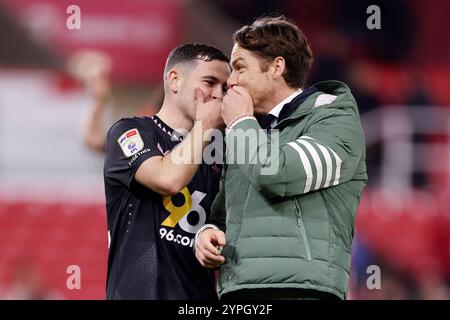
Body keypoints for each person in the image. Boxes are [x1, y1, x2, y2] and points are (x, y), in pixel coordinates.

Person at [194, 15, 368, 300]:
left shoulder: (334, 119)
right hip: (238, 291)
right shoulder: (245, 130)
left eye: (239, 68)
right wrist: (208, 233)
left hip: (303, 291)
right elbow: (223, 214)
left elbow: (275, 173)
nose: (231, 82)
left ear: (277, 66)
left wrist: (239, 123)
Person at [104, 43, 230, 299]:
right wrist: (205, 125)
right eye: (210, 82)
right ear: (175, 80)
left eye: (225, 88)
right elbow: (167, 179)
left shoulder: (225, 151)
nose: (218, 94)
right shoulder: (131, 132)